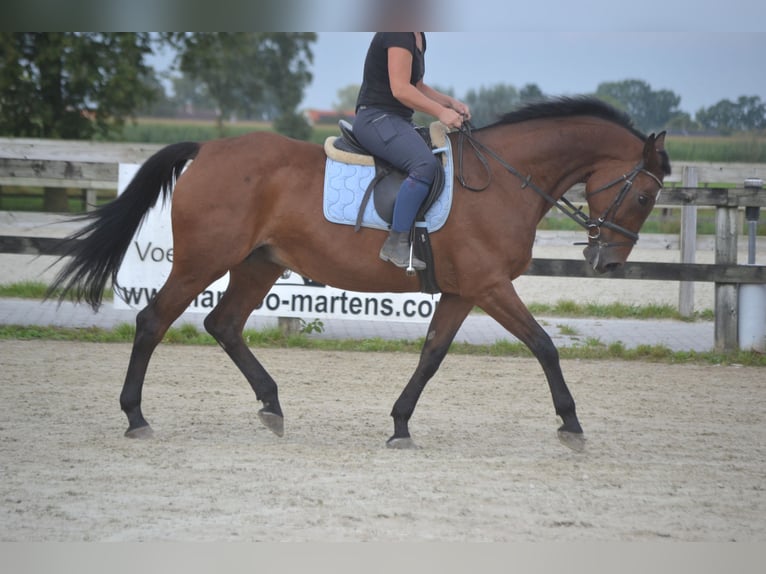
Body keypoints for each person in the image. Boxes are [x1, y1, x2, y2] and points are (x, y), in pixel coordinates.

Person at [353, 32, 471, 271]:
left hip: (396, 119)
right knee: (425, 164)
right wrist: (440, 112)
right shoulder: (399, 31)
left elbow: (416, 86)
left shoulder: (418, 35)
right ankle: (395, 243)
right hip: (376, 118)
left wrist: (449, 102)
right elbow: (400, 89)